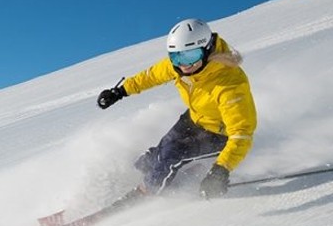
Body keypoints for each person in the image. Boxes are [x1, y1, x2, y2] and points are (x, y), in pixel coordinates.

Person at [95, 18, 257, 198]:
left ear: (207, 49)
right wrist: (120, 91)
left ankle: (145, 195)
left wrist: (221, 170)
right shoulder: (181, 66)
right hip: (195, 118)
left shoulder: (229, 85)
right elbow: (150, 76)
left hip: (220, 135)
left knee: (171, 154)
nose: (183, 64)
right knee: (159, 152)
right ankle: (131, 178)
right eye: (176, 57)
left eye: (190, 56)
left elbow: (241, 133)